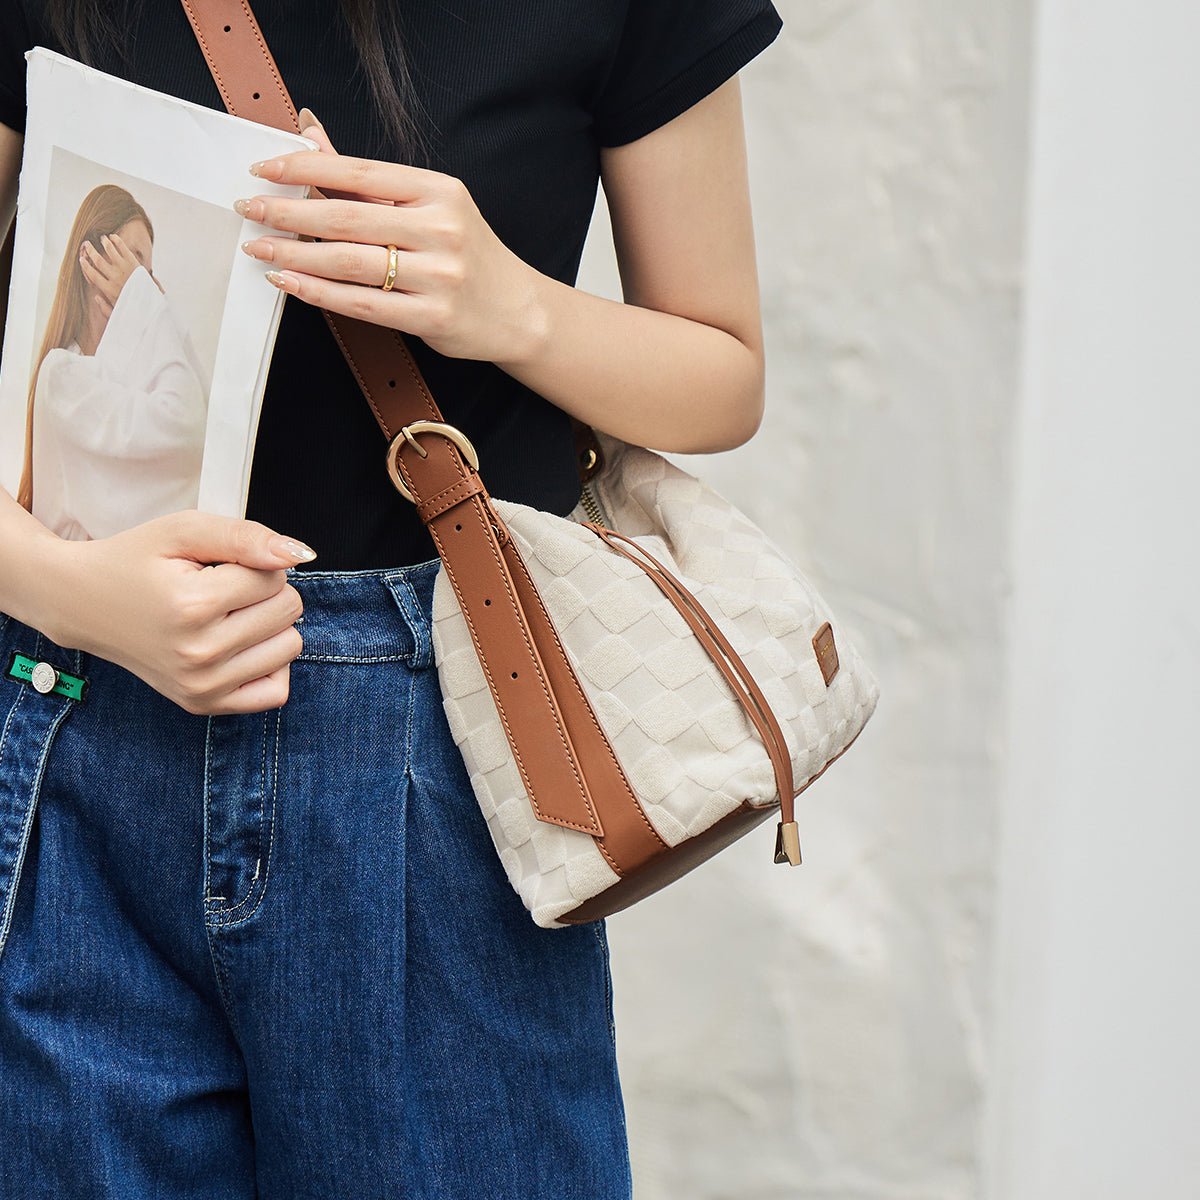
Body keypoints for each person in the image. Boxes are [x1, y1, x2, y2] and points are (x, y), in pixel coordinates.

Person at [0, 1, 785, 1196]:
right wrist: (59, 586)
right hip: (80, 730)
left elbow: (720, 375)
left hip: (443, 749)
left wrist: (508, 304)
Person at [18, 183, 208, 541]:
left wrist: (151, 311)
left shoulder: (125, 374)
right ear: (89, 260)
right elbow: (186, 426)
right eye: (133, 263)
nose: (144, 287)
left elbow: (208, 435)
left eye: (147, 277)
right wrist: (154, 313)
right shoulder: (62, 378)